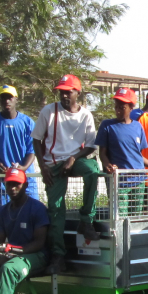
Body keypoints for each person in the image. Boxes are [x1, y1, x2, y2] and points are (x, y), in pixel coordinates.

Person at [33, 74, 100, 274]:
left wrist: (73, 158)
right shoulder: (49, 111)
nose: (63, 95)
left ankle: (86, 220)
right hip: (52, 163)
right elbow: (36, 139)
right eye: (61, 91)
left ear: (77, 93)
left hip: (75, 160)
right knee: (55, 209)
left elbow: (90, 145)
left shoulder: (86, 115)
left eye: (68, 91)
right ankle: (58, 256)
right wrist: (43, 167)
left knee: (93, 171)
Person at [98, 88, 148, 217]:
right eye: (116, 107)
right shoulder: (107, 125)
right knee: (120, 218)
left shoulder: (138, 126)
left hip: (138, 181)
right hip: (119, 182)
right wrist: (107, 164)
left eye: (122, 107)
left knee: (135, 219)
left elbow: (139, 156)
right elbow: (102, 153)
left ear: (131, 107)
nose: (118, 110)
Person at [0, 85, 38, 207]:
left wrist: (23, 167)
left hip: (26, 177)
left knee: (31, 211)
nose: (6, 101)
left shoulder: (27, 122)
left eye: (10, 98)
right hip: (3, 179)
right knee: (2, 214)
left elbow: (32, 150)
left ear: (16, 99)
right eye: (3, 98)